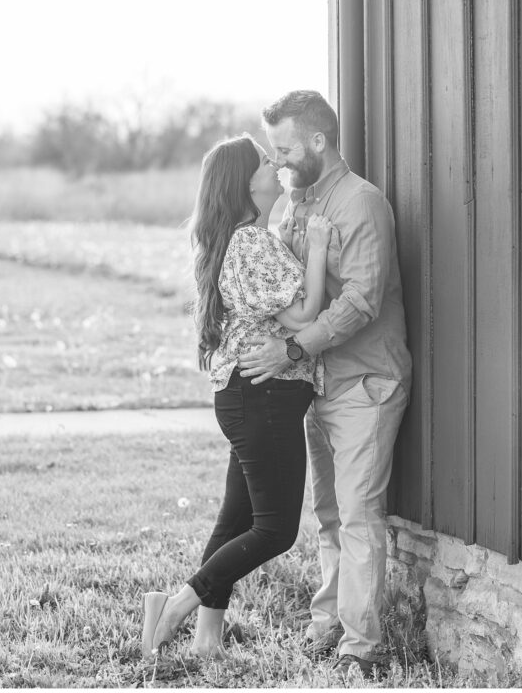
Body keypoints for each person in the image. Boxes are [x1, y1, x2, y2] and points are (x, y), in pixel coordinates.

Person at [238, 91, 412, 679]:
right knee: (330, 512)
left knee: (360, 513)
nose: (280, 160)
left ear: (318, 141)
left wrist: (290, 348)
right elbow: (289, 293)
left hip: (365, 382)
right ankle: (329, 622)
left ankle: (363, 648)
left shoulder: (361, 204)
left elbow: (360, 302)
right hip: (316, 384)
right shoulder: (293, 206)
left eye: (286, 148)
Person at [142, 134, 332, 660]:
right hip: (263, 399)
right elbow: (304, 315)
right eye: (266, 162)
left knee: (234, 522)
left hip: (247, 399)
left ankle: (207, 640)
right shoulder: (252, 243)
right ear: (247, 184)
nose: (276, 166)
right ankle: (177, 606)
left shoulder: (244, 240)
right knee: (275, 530)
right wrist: (317, 248)